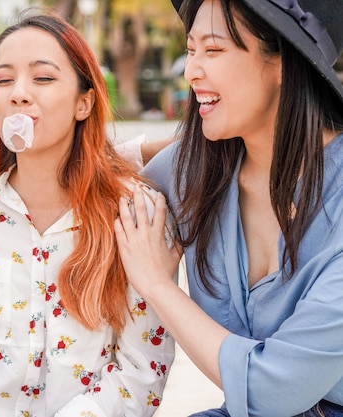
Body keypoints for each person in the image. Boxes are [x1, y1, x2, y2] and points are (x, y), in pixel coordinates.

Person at [0, 13, 175, 417]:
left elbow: (140, 376)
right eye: (4, 80)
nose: (19, 94)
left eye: (43, 78)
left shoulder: (135, 214)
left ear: (84, 102)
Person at [114, 0, 343, 416]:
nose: (191, 70)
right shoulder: (196, 172)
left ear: (284, 65)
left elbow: (275, 390)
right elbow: (76, 176)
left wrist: (158, 285)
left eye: (213, 50)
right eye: (191, 49)